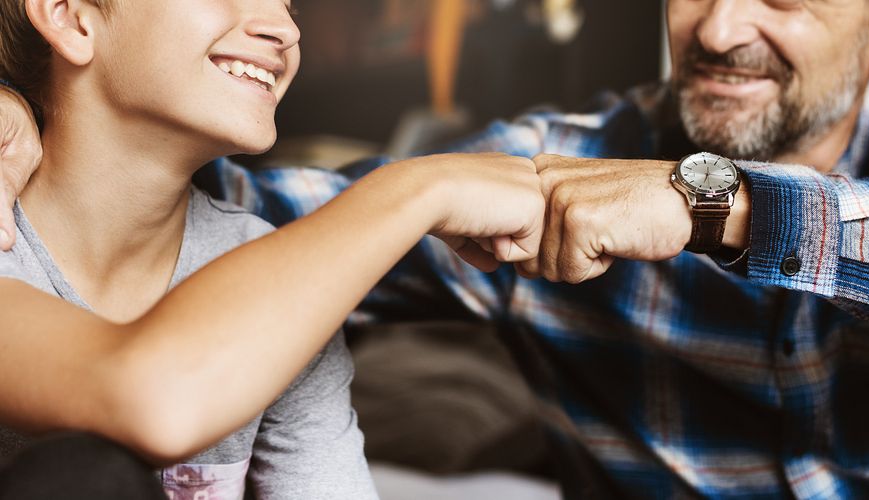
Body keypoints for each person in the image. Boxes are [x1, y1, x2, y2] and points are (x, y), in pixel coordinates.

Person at [3, 0, 869, 497]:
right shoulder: (552, 174)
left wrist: (714, 207)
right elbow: (229, 219)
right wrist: (22, 102)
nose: (721, 26)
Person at [0, 0, 544, 499]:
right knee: (81, 475)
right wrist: (418, 189)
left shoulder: (270, 271)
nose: (285, 29)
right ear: (71, 18)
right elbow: (153, 403)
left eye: (286, 1)